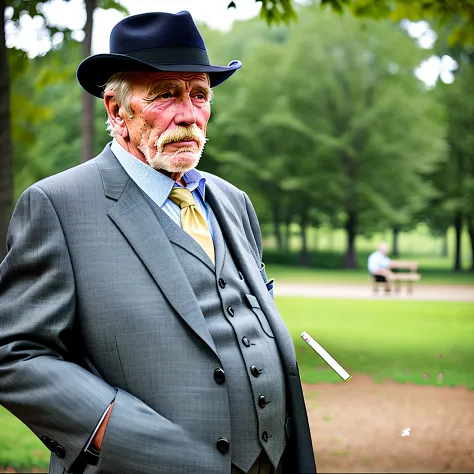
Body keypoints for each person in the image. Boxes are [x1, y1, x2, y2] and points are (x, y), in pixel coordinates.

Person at [0, 11, 316, 474]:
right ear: (116, 111)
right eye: (166, 94)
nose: (189, 114)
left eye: (200, 95)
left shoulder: (234, 202)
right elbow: (13, 353)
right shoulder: (57, 205)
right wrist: (112, 428)